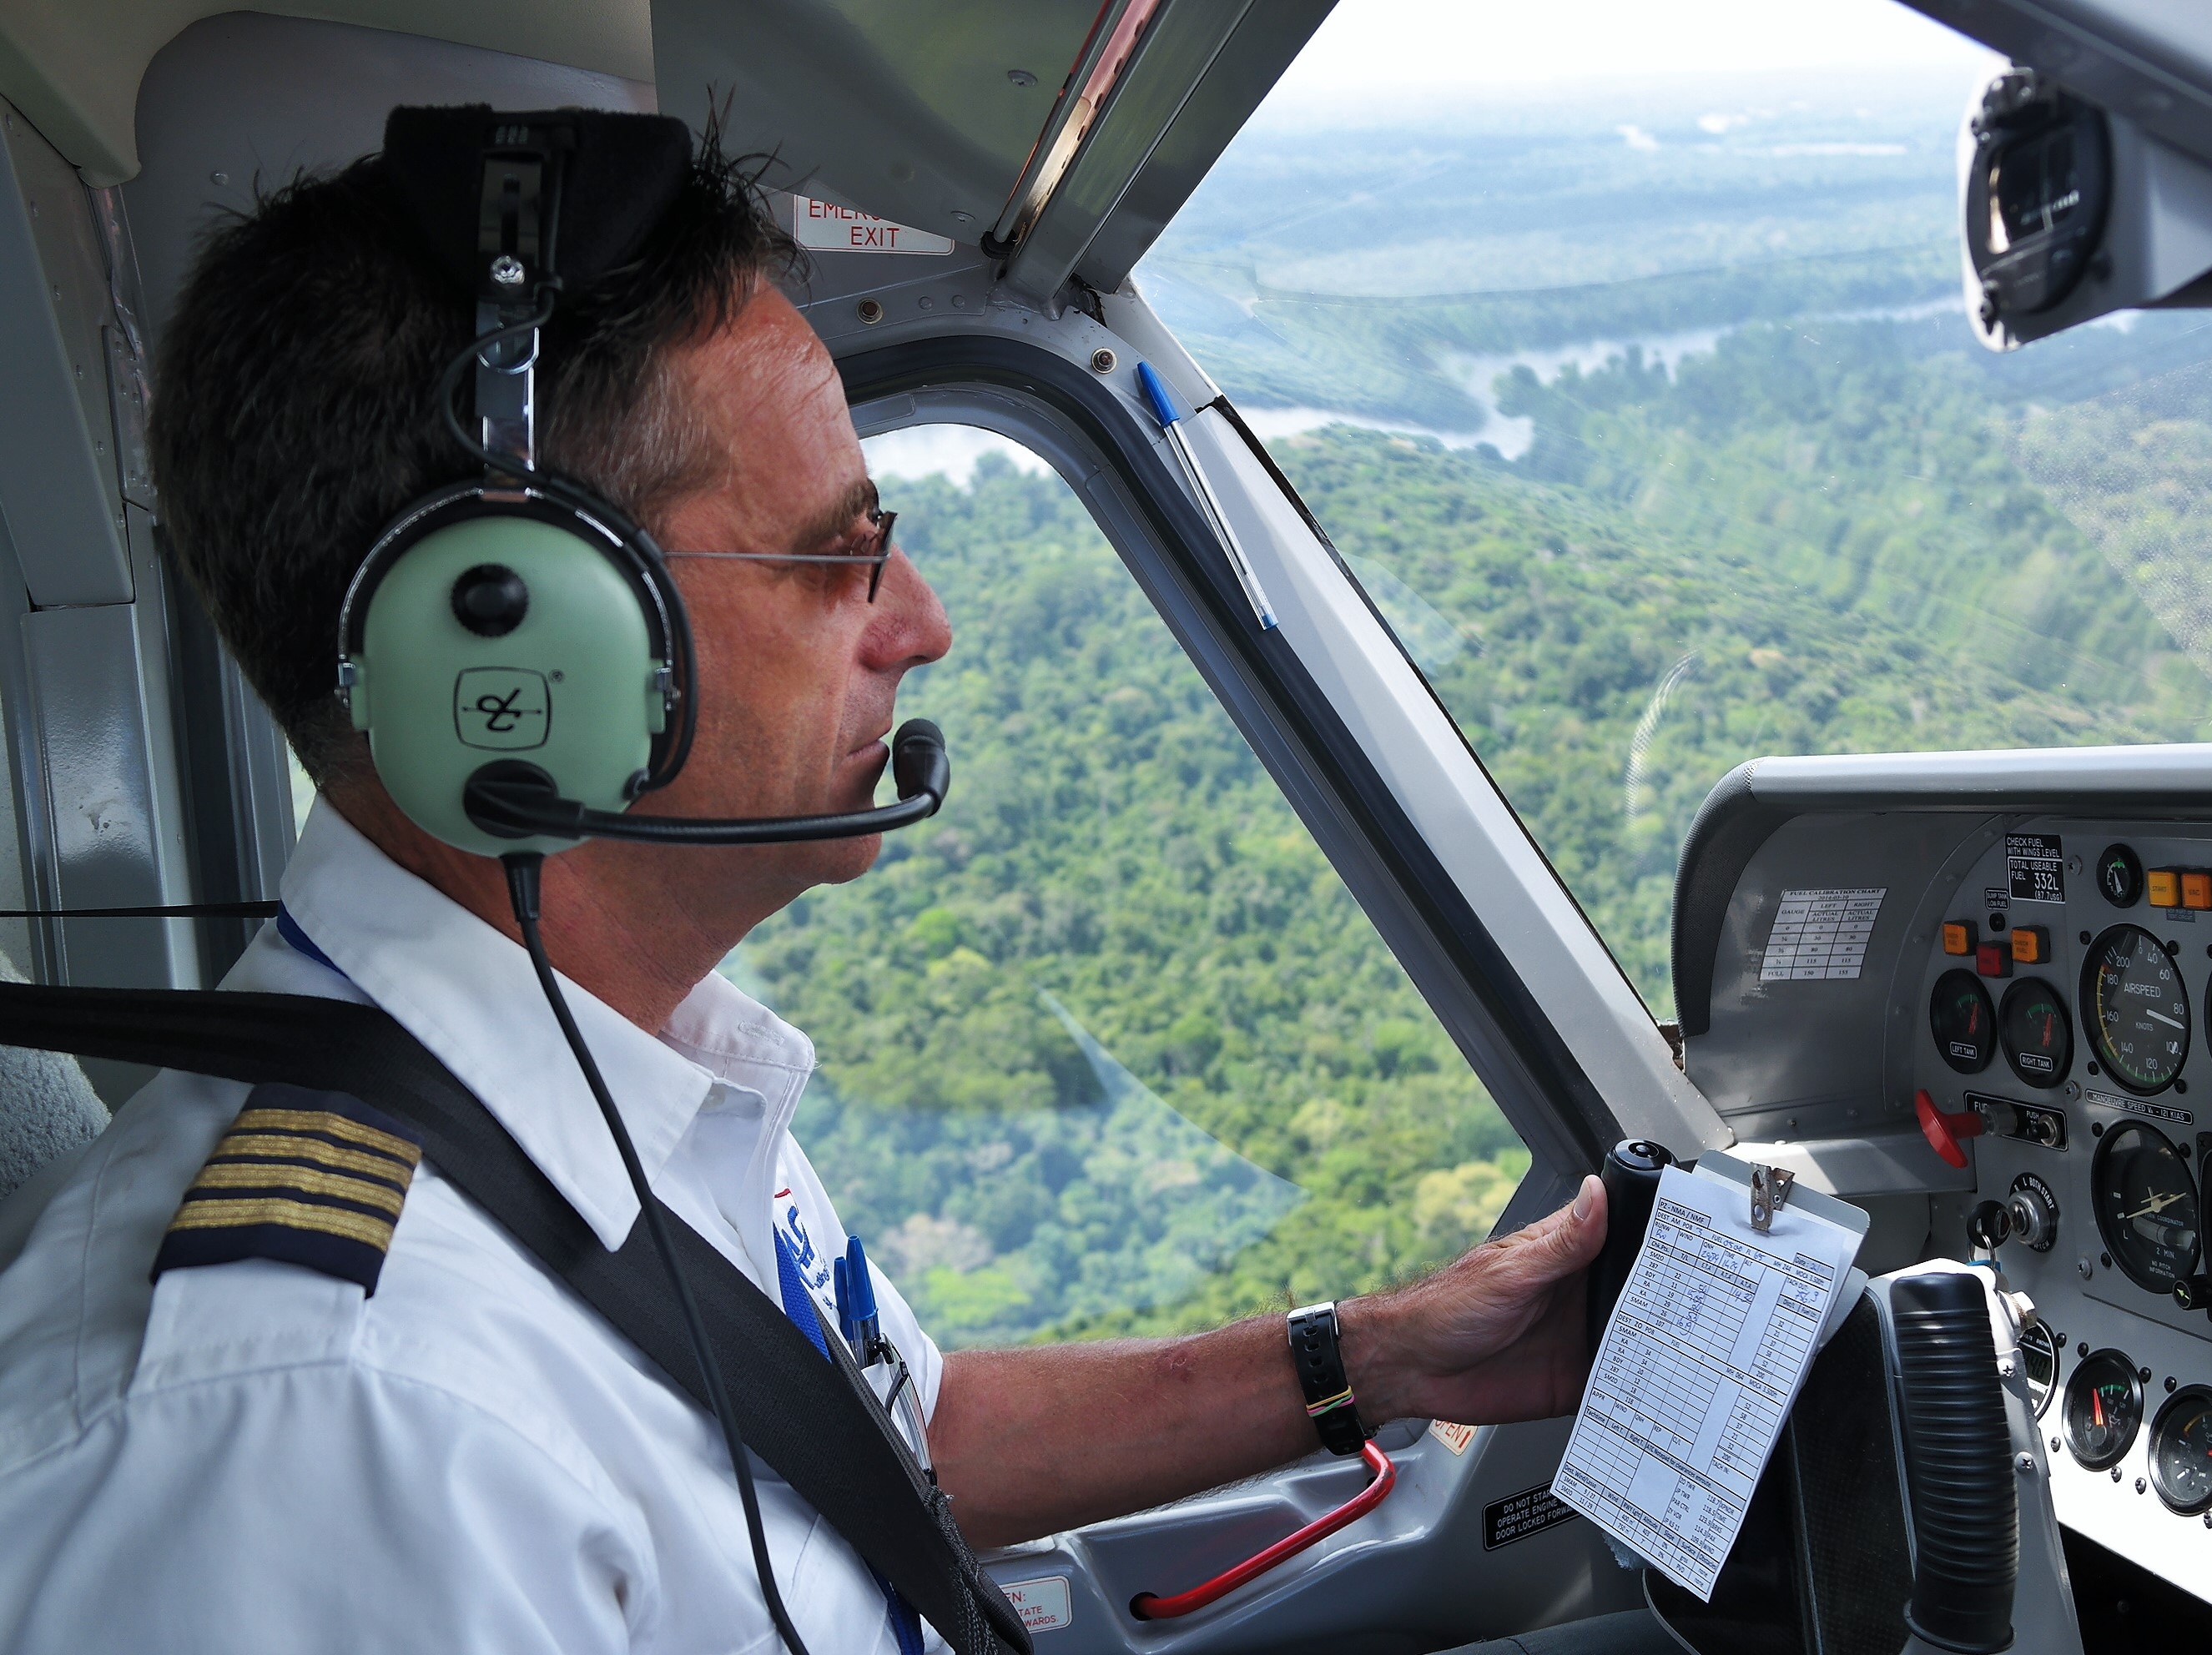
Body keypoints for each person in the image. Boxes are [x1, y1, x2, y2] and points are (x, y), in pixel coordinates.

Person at [0, 125, 1613, 1651]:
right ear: (517, 654)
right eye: (839, 554)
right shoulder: (322, 1430)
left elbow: (887, 1443)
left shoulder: (615, 1065)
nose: (920, 621)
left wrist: (1380, 1355)